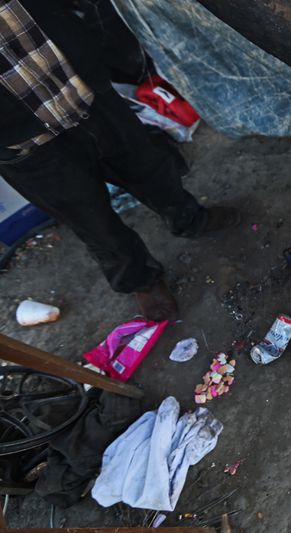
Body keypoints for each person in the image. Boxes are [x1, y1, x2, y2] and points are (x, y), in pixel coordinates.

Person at [0, 0, 239, 320]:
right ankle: (140, 280)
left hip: (82, 90)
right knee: (91, 221)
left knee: (149, 167)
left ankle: (190, 219)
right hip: (24, 144)